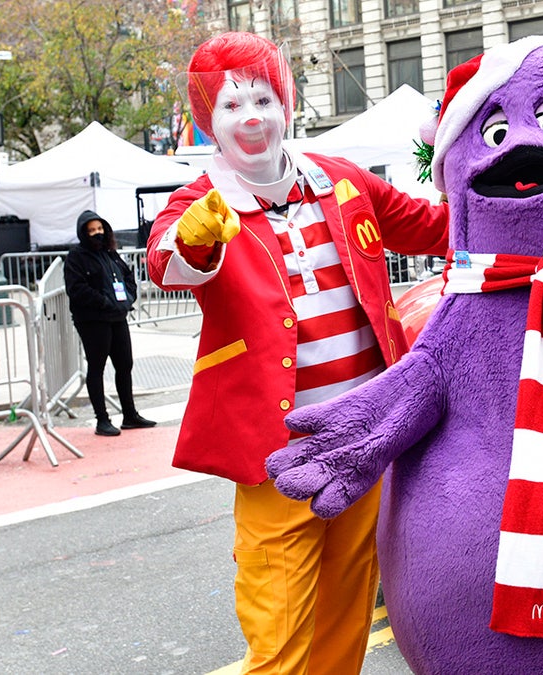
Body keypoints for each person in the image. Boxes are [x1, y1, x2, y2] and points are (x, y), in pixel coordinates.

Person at [147, 32, 448, 674]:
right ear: (209, 123)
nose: (250, 117)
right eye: (231, 107)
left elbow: (432, 227)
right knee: (278, 632)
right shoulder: (201, 202)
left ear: (285, 102)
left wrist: (504, 188)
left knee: (347, 613)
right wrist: (196, 239)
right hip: (278, 452)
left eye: (261, 98)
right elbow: (168, 260)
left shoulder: (338, 180)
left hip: (362, 436)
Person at [63, 210, 156, 436]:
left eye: (100, 229)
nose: (97, 234)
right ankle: (101, 419)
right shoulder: (76, 257)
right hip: (93, 320)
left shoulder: (111, 253)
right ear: (83, 233)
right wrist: (105, 302)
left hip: (118, 316)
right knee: (97, 367)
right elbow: (77, 289)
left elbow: (127, 277)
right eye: (92, 230)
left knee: (125, 364)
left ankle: (130, 414)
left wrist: (128, 299)